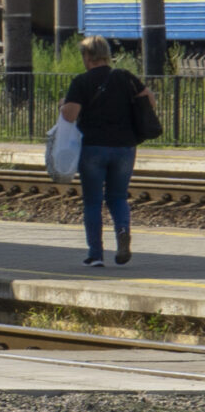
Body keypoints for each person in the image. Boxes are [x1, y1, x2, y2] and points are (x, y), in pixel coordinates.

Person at [61, 34, 155, 268]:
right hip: (124, 147)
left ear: (87, 56)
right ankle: (122, 231)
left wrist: (63, 105)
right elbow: (149, 99)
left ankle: (95, 255)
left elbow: (70, 115)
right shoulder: (125, 77)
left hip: (93, 148)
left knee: (93, 201)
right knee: (118, 197)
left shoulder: (81, 82)